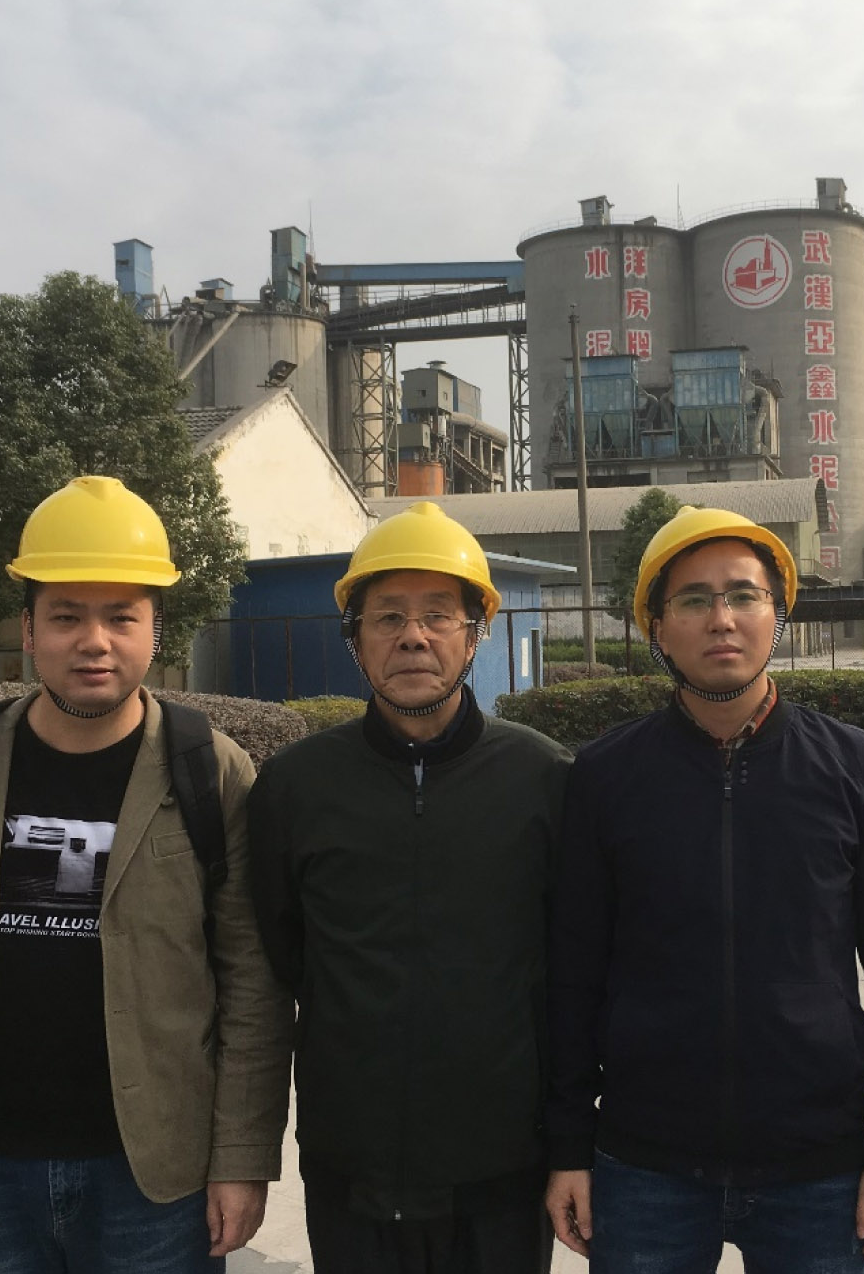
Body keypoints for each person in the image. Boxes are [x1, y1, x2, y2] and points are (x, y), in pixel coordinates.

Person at [0, 474, 291, 1272]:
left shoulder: (211, 772)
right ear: (28, 628)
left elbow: (252, 984)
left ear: (155, 627)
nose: (95, 640)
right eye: (66, 615)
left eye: (121, 615)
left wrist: (241, 1157)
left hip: (155, 1178)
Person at [545, 506, 864, 1273]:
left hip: (819, 1170)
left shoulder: (855, 767)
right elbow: (573, 975)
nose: (721, 618)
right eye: (694, 599)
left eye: (743, 595)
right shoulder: (605, 776)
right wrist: (568, 1145)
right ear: (657, 628)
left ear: (777, 614)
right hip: (645, 1168)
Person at [247, 501, 571, 1274]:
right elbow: (282, 957)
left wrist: (570, 1144)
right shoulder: (296, 786)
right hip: (351, 1168)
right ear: (355, 638)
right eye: (387, 616)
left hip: (503, 1169)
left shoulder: (544, 778)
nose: (413, 636)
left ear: (475, 632)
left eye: (437, 615)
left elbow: (571, 971)